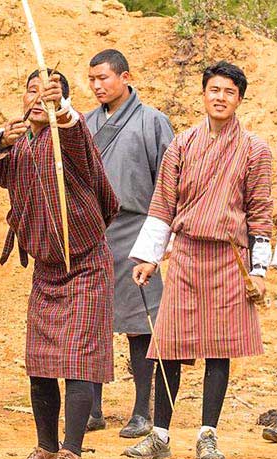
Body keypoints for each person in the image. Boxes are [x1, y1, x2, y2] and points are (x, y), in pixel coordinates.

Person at [0, 69, 119, 459]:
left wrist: (62, 108)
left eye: (47, 92)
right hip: (48, 270)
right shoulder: (19, 149)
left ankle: (72, 455)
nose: (37, 98)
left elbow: (74, 130)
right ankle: (46, 450)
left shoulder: (71, 140)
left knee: (79, 361)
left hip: (86, 264)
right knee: (41, 361)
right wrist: (2, 139)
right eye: (31, 91)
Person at [123, 61, 272, 459]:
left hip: (230, 259)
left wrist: (259, 270)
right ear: (203, 94)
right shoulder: (182, 144)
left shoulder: (256, 149)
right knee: (168, 346)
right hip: (186, 256)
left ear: (239, 99)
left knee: (219, 350)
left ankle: (208, 435)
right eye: (214, 90)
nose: (220, 97)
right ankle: (159, 435)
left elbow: (261, 213)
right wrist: (150, 258)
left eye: (228, 91)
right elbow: (163, 204)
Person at [84, 49, 174, 437]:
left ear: (125, 76)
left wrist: (162, 237)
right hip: (92, 234)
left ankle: (142, 409)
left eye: (104, 78)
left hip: (137, 231)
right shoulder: (84, 122)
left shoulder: (153, 122)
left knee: (141, 324)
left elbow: (171, 183)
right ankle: (91, 409)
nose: (97, 86)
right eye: (92, 79)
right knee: (92, 323)